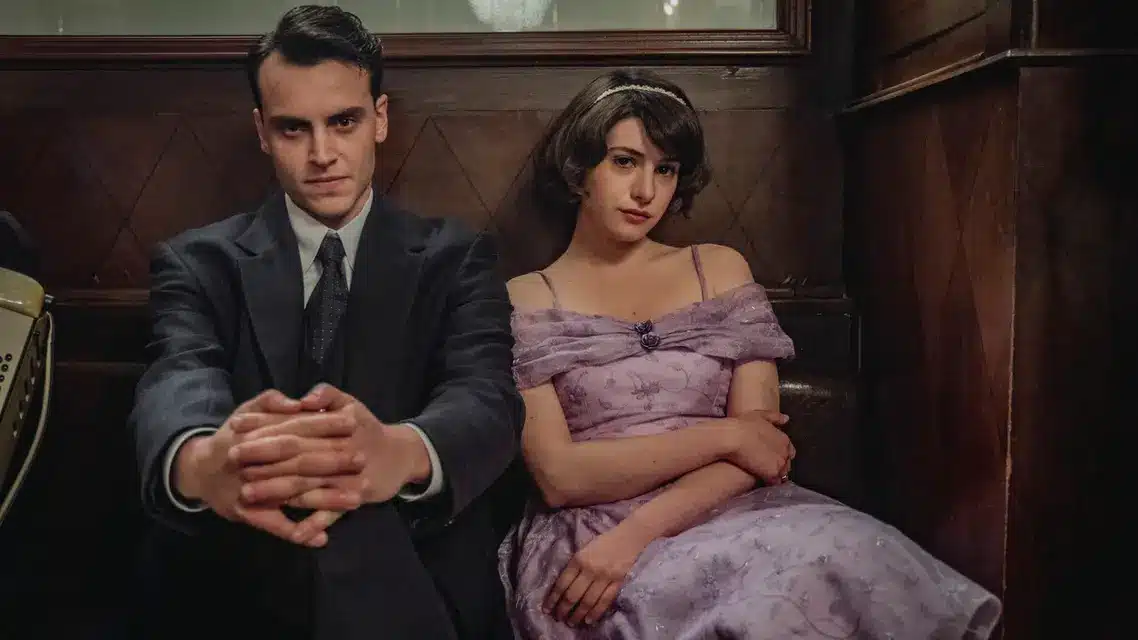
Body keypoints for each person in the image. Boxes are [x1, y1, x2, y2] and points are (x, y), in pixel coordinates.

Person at [498, 69, 1002, 639]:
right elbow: (560, 477)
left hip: (724, 511)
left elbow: (763, 449)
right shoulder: (527, 297)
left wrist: (639, 533)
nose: (646, 192)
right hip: (591, 538)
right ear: (579, 168)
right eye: (624, 162)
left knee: (845, 556)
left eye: (665, 169)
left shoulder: (717, 269)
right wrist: (728, 435)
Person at [127, 6, 522, 640]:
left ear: (379, 119)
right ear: (261, 131)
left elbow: (486, 398)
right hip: (239, 578)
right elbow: (178, 376)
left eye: (343, 122)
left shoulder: (456, 257)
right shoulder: (197, 262)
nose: (322, 154)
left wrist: (398, 452)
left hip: (411, 572)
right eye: (293, 129)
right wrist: (204, 463)